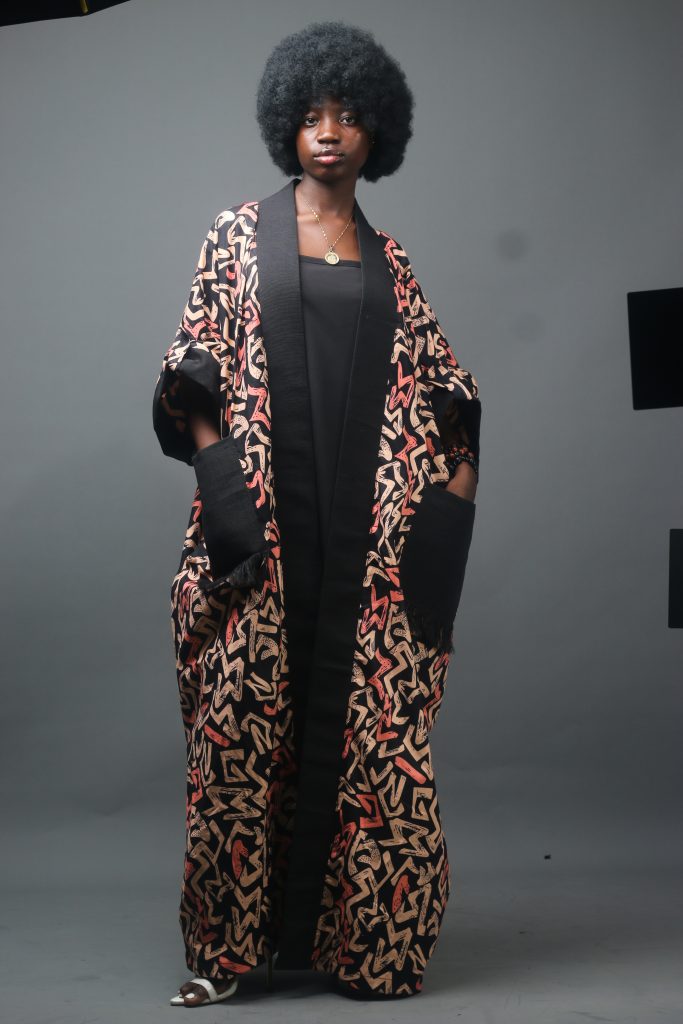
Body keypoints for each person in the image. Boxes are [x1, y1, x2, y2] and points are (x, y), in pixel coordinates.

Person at [153, 20, 481, 1007]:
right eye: (309, 116)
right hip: (259, 529)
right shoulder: (234, 235)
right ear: (284, 130)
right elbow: (192, 366)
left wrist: (448, 505)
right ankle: (228, 953)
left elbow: (445, 394)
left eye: (346, 116)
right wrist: (220, 484)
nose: (328, 132)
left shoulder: (391, 262)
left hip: (372, 547)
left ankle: (371, 949)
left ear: (377, 129)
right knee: (240, 731)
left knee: (378, 742)